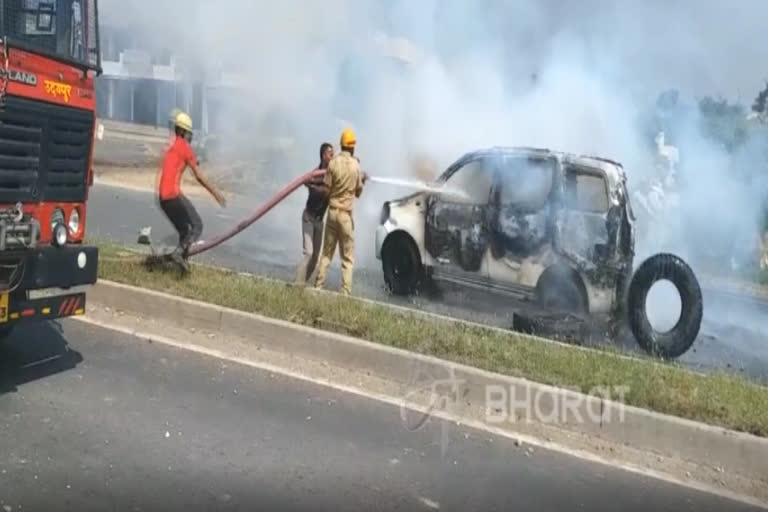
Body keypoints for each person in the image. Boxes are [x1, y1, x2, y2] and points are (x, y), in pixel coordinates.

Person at [157, 110, 226, 273]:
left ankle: (180, 264)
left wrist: (194, 160)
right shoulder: (185, 147)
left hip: (163, 198)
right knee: (197, 225)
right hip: (173, 195)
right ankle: (180, 255)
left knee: (184, 231)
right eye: (188, 133)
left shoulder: (173, 145)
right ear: (182, 131)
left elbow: (178, 161)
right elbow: (199, 177)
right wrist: (216, 194)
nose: (190, 136)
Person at [314, 128, 368, 295]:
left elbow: (327, 189)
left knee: (326, 254)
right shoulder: (356, 166)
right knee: (347, 258)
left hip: (332, 213)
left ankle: (318, 287)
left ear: (342, 145)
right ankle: (344, 293)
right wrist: (362, 181)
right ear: (352, 147)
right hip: (345, 216)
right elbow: (358, 193)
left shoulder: (333, 163)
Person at [294, 142, 334, 285]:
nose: (333, 157)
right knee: (309, 253)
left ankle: (301, 284)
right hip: (309, 218)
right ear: (324, 156)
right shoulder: (316, 173)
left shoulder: (332, 174)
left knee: (316, 258)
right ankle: (297, 285)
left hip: (319, 221)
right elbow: (322, 190)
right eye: (330, 154)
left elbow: (328, 191)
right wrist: (311, 184)